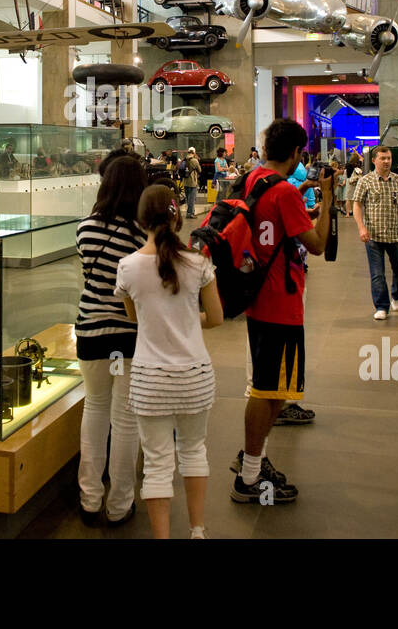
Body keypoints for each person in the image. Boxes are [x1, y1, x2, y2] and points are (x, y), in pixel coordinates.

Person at [231, 119, 332, 504]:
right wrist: (327, 199)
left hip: (255, 295)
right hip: (281, 302)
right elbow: (319, 245)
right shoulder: (286, 193)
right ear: (295, 153)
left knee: (274, 387)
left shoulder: (252, 179)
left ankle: (253, 460)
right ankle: (249, 477)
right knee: (266, 389)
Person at [115, 183, 224, 538]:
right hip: (194, 374)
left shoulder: (128, 267)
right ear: (177, 218)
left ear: (140, 220)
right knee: (194, 451)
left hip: (150, 379)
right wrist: (189, 319)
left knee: (157, 464)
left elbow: (135, 318)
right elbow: (218, 317)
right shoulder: (199, 263)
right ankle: (197, 530)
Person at [75, 153, 147, 526]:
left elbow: (90, 275)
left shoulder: (85, 227)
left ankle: (89, 499)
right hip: (127, 335)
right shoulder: (140, 233)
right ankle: (119, 505)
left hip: (89, 331)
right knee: (125, 419)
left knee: (95, 409)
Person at [352, 145, 398, 321]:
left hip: (396, 235)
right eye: (383, 158)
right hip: (373, 236)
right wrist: (361, 227)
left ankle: (396, 294)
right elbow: (357, 204)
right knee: (377, 274)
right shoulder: (366, 181)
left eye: (389, 158)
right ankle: (381, 306)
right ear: (375, 160)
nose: (387, 161)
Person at [183, 147, 202, 218]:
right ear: (194, 153)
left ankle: (190, 212)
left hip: (185, 182)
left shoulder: (184, 159)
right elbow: (200, 170)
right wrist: (197, 160)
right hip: (192, 182)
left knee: (188, 199)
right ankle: (190, 213)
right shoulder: (194, 160)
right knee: (192, 199)